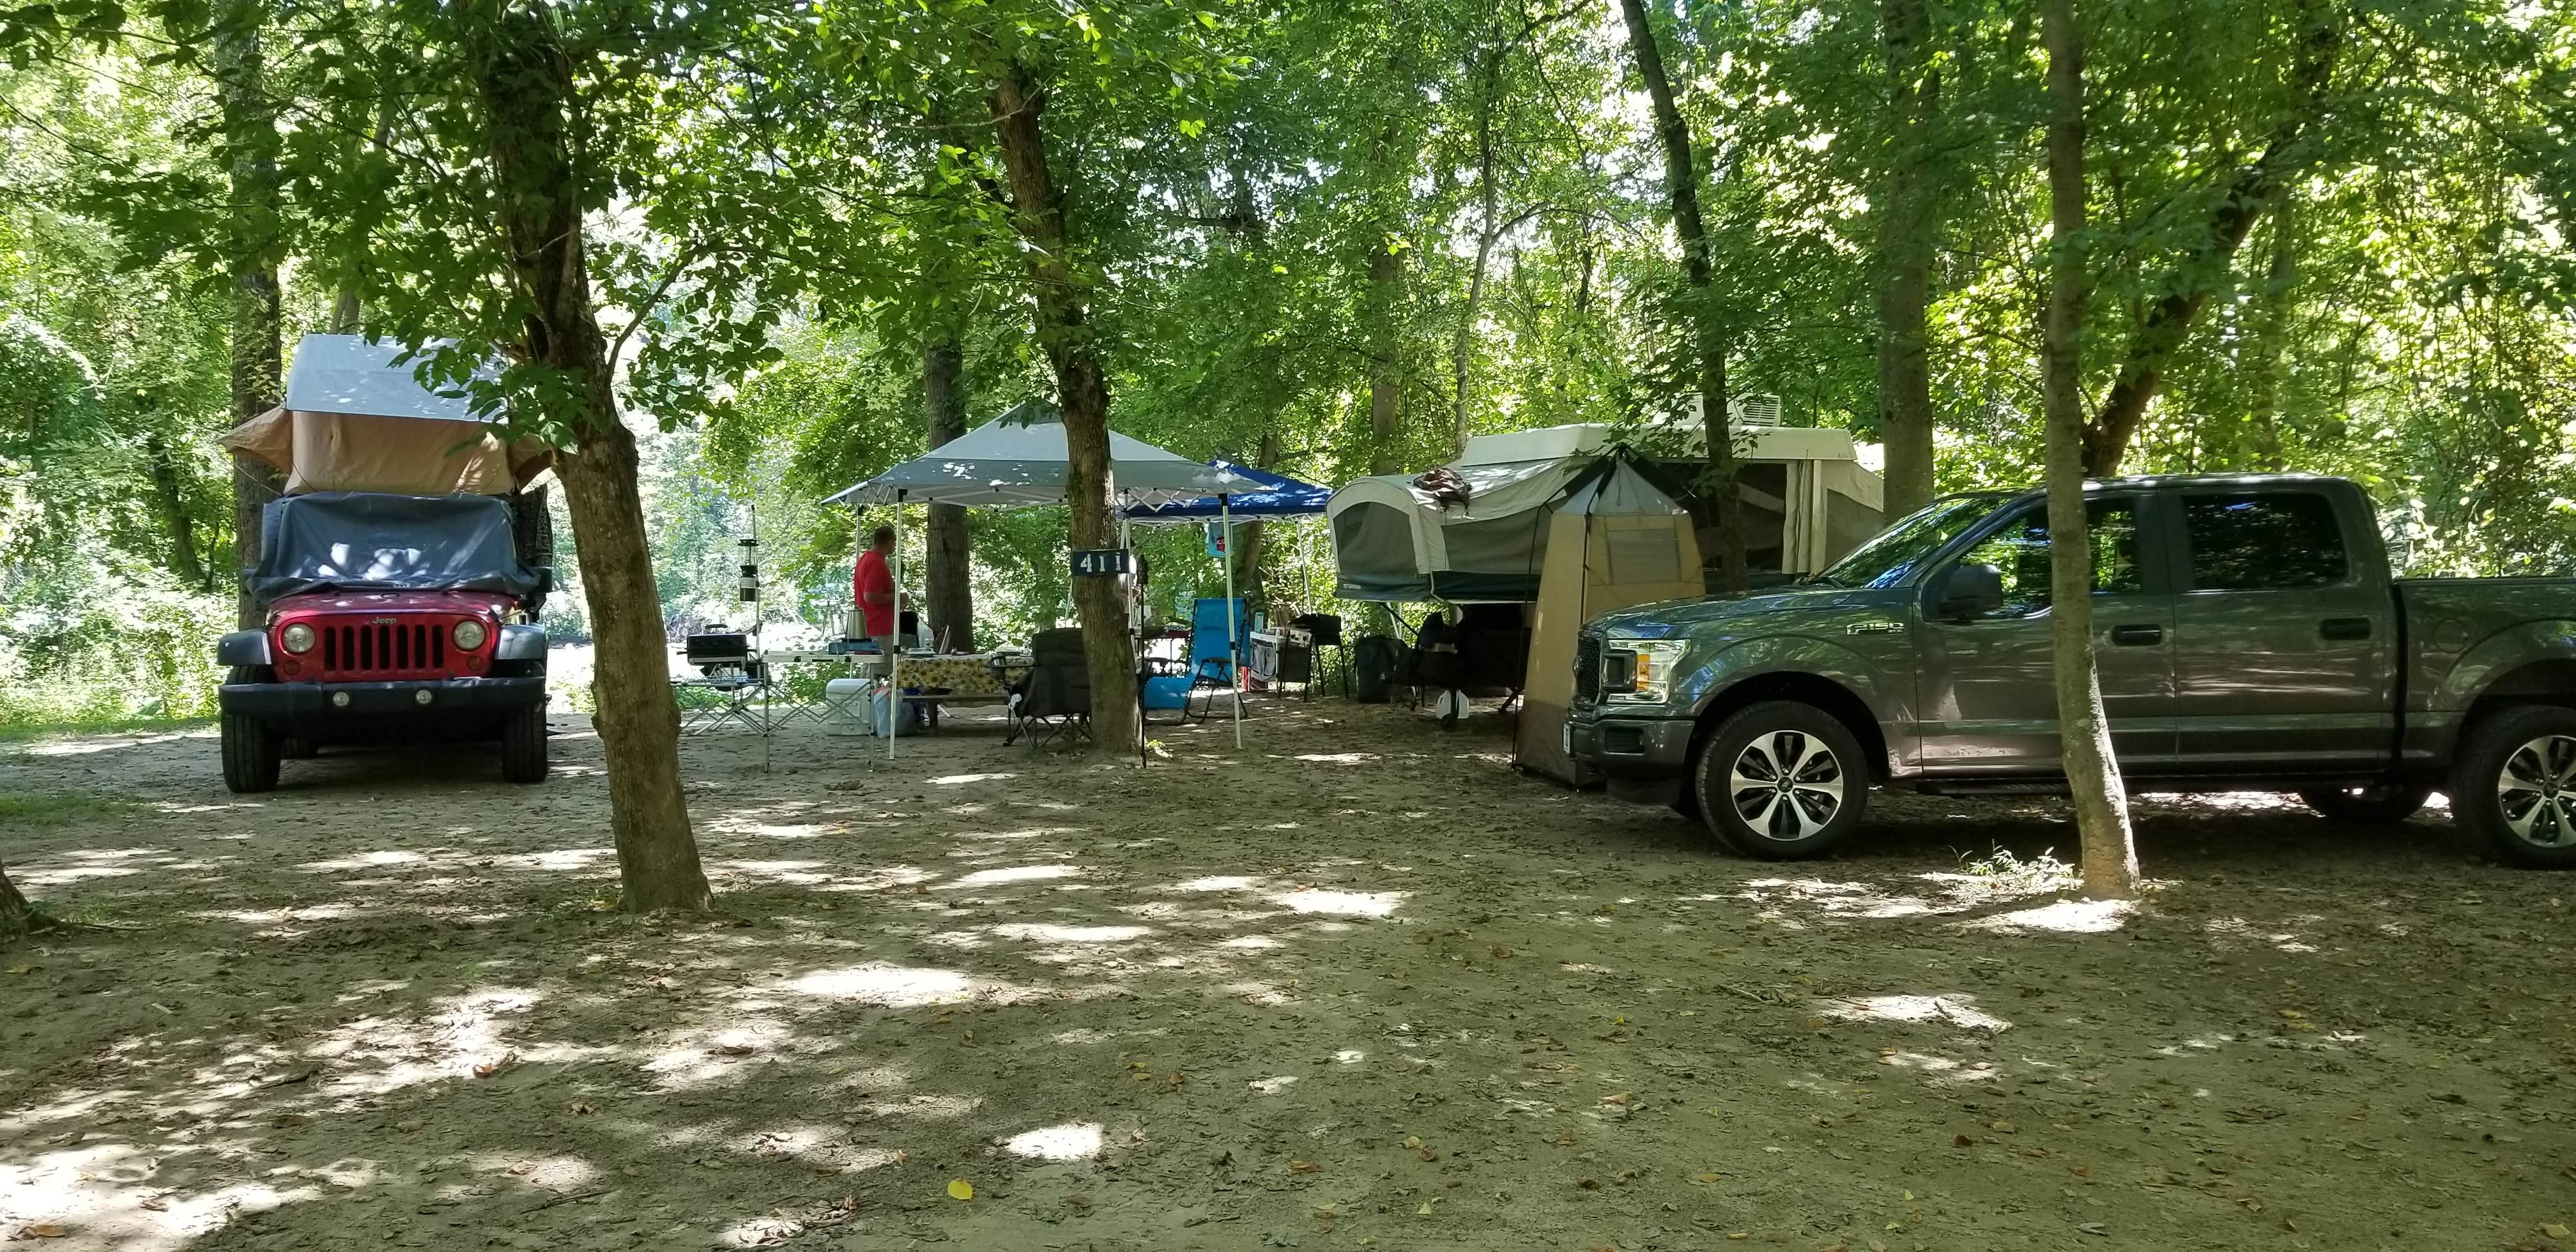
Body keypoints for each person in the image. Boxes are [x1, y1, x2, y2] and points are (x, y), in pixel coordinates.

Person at [852, 525, 906, 662]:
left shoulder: (865, 559)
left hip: (870, 625)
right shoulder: (876, 562)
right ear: (889, 541)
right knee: (879, 673)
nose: (894, 546)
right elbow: (870, 596)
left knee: (871, 672)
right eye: (894, 542)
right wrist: (897, 598)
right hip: (879, 627)